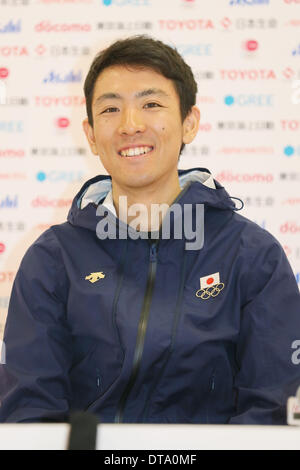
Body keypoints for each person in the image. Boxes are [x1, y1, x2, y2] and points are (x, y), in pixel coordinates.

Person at [0, 35, 300, 424]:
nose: (130, 125)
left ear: (189, 123)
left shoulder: (251, 255)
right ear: (91, 134)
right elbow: (28, 410)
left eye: (151, 104)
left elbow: (275, 410)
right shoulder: (53, 258)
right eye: (110, 109)